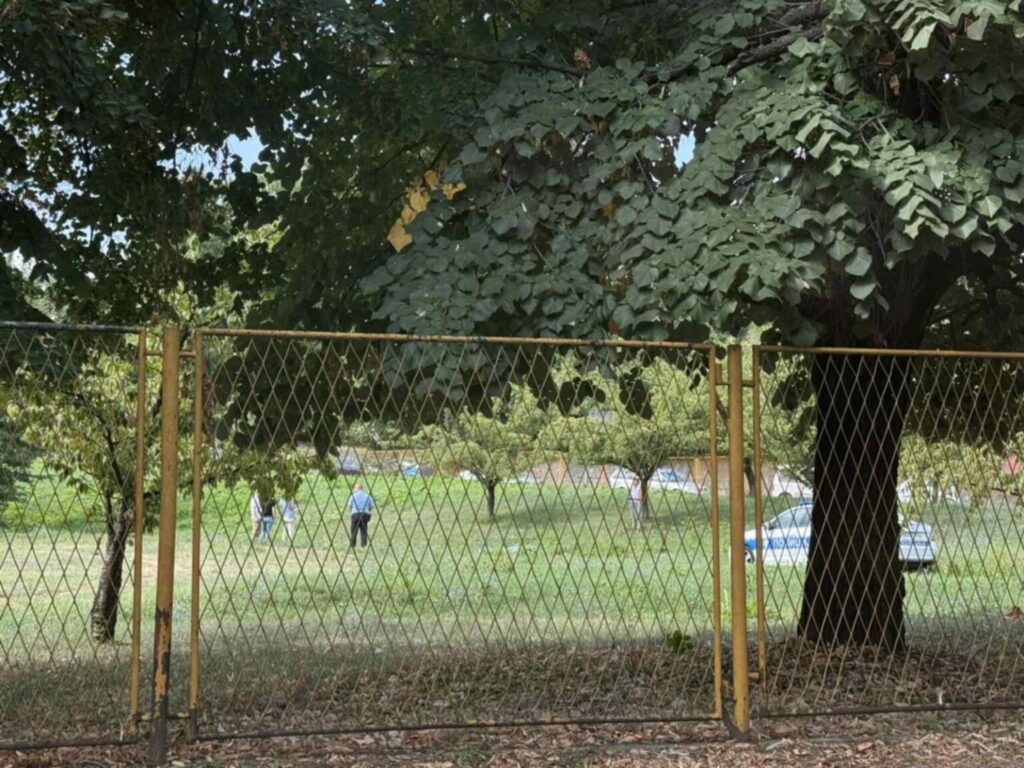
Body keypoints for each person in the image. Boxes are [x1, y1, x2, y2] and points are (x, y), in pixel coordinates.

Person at [347, 483, 375, 547]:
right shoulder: (368, 496)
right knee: (364, 531)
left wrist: (352, 511)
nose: (354, 489)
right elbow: (371, 506)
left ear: (357, 488)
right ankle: (363, 545)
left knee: (353, 531)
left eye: (355, 488)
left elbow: (349, 505)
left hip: (355, 514)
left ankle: (353, 545)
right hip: (364, 514)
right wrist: (367, 510)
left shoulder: (353, 496)